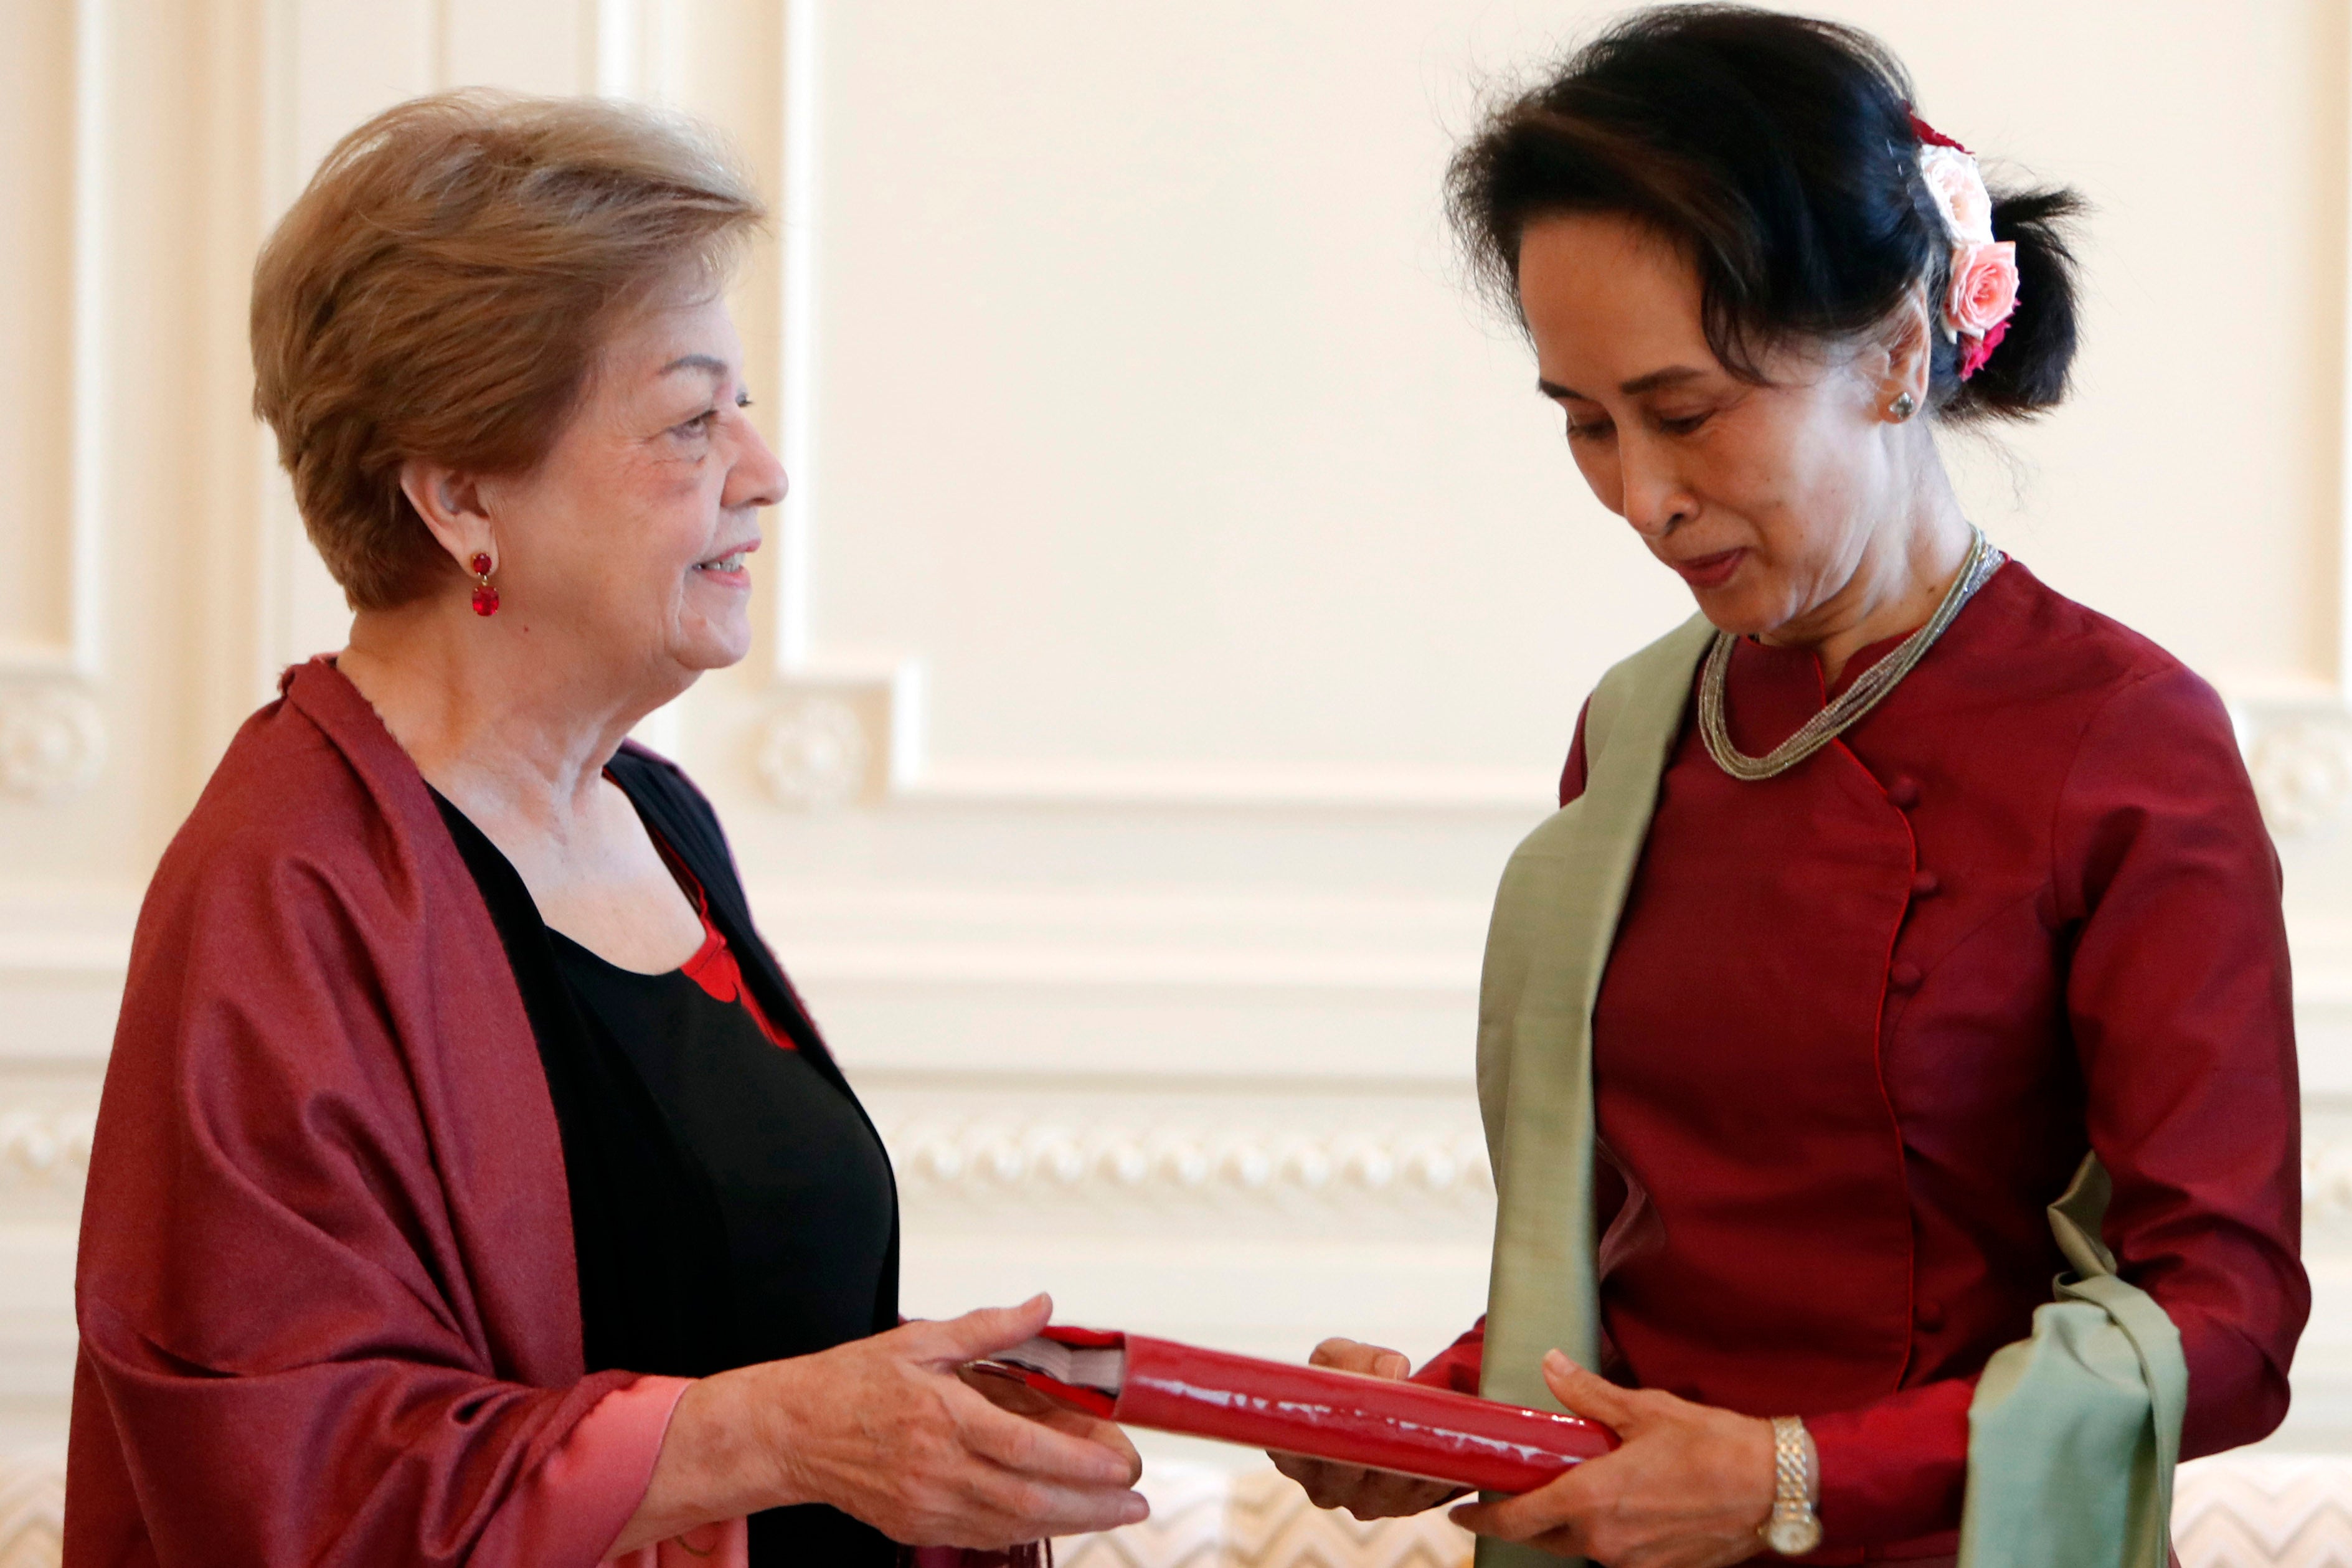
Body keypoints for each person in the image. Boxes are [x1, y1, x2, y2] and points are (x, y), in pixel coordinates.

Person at [1277, 9, 2306, 1566]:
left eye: (1684, 413)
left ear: (1895, 354)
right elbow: (1633, 1264)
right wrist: (1437, 1417)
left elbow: (2222, 1316)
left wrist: (1790, 1471)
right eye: (1584, 424)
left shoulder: (2119, 735)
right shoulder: (1635, 729)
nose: (1639, 495)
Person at [66, 90, 1147, 1567]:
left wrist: (951, 1426)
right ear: (459, 495)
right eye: (691, 418)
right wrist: (776, 1433)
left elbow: (731, 1320)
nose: (763, 471)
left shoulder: (657, 813)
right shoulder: (287, 883)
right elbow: (290, 1479)